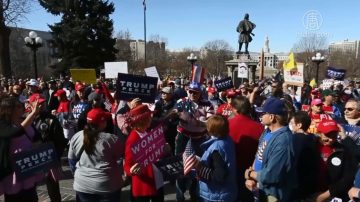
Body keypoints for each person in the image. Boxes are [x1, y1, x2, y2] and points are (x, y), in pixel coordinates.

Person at [245, 97, 297, 201]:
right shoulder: (267, 131)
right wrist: (252, 178)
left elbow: (271, 175)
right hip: (259, 188)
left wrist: (250, 174)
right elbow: (259, 155)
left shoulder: (283, 141)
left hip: (272, 195)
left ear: (272, 117)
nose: (261, 116)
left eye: (263, 113)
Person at [68, 108, 124, 202]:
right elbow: (121, 160)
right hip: (107, 186)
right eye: (105, 119)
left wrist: (79, 174)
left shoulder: (77, 136)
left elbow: (72, 161)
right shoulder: (111, 139)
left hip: (82, 185)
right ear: (102, 123)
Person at [0, 96, 43, 202]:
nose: (23, 108)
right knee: (15, 197)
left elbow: (36, 137)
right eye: (19, 106)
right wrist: (32, 114)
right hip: (13, 169)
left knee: (31, 195)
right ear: (10, 109)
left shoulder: (25, 120)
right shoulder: (3, 124)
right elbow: (15, 133)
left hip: (28, 165)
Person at [30, 93, 67, 202]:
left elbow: (60, 141)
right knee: (31, 187)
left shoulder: (51, 120)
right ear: (31, 104)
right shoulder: (25, 119)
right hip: (32, 160)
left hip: (49, 159)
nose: (41, 105)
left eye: (42, 103)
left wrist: (56, 157)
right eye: (38, 103)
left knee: (53, 187)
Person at [124, 104, 164, 202]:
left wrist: (163, 149)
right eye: (149, 116)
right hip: (145, 185)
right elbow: (128, 165)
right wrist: (131, 170)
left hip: (156, 180)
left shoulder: (146, 132)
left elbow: (154, 154)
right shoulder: (133, 138)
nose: (151, 118)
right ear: (141, 120)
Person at [195, 115, 238, 202]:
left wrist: (199, 168)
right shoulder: (227, 139)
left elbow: (219, 175)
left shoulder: (216, 148)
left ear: (212, 131)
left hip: (216, 195)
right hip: (227, 192)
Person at [228, 96, 264, 202]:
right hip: (250, 172)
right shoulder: (260, 127)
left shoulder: (227, 124)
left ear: (234, 109)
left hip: (232, 171)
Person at [314, 119, 358, 201]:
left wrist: (326, 194)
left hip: (332, 196)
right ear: (319, 133)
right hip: (311, 193)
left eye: (334, 136)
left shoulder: (342, 150)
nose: (331, 139)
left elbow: (347, 177)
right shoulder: (310, 146)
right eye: (327, 135)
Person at [289, 111, 319, 201]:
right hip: (309, 184)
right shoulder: (313, 138)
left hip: (296, 183)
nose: (290, 125)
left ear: (299, 125)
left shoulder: (295, 139)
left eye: (292, 123)